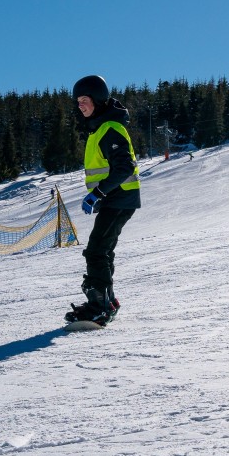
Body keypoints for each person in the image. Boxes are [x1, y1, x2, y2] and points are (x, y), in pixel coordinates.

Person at [64, 75, 141, 326]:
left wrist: (98, 193)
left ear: (97, 101)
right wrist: (99, 195)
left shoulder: (110, 128)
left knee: (96, 251)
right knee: (102, 250)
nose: (80, 106)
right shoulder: (101, 127)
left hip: (119, 199)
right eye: (78, 102)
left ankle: (100, 307)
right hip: (115, 200)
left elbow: (124, 167)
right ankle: (107, 301)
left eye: (84, 100)